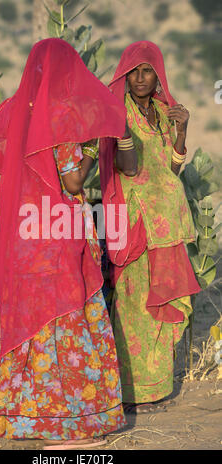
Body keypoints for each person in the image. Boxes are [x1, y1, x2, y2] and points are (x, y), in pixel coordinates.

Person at [0, 38, 128, 450]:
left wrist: (14, 162)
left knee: (33, 323)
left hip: (23, 233)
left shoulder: (15, 109)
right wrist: (90, 148)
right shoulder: (67, 115)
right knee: (68, 320)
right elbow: (73, 182)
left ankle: (27, 418)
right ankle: (68, 426)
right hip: (58, 233)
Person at [99, 41, 201, 413]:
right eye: (134, 72)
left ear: (158, 75)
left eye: (147, 71)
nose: (140, 79)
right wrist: (123, 130)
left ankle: (156, 387)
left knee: (162, 303)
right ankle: (128, 391)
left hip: (169, 223)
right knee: (132, 303)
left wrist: (182, 130)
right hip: (135, 223)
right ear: (124, 76)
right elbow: (126, 169)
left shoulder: (163, 111)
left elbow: (171, 170)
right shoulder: (115, 112)